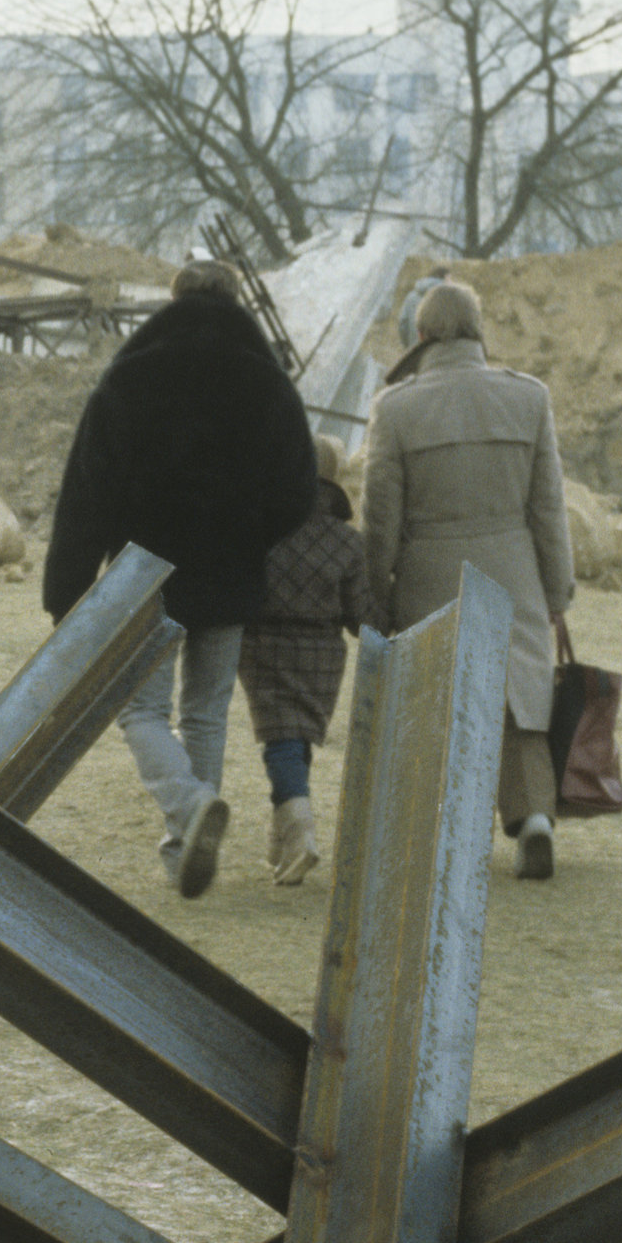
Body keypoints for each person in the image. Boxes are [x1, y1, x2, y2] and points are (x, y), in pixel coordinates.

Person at [43, 259, 317, 897]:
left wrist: (68, 594)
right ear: (236, 300)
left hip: (145, 572)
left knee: (137, 708)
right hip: (230, 569)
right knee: (206, 713)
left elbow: (86, 493)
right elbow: (300, 491)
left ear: (172, 300)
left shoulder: (129, 378)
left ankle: (190, 813)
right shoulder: (269, 384)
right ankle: (183, 850)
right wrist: (251, 534)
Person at [361, 277, 577, 877]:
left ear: (422, 334)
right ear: (479, 329)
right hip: (514, 566)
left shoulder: (395, 408)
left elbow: (381, 517)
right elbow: (548, 508)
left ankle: (440, 832)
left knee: (437, 697)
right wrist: (556, 591)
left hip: (430, 570)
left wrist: (375, 591)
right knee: (519, 705)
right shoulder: (528, 397)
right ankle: (534, 817)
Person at [238, 434, 370, 885]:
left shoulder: (259, 528)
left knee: (280, 741)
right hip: (323, 654)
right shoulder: (348, 543)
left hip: (263, 646)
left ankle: (301, 834)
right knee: (296, 741)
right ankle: (282, 852)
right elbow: (360, 615)